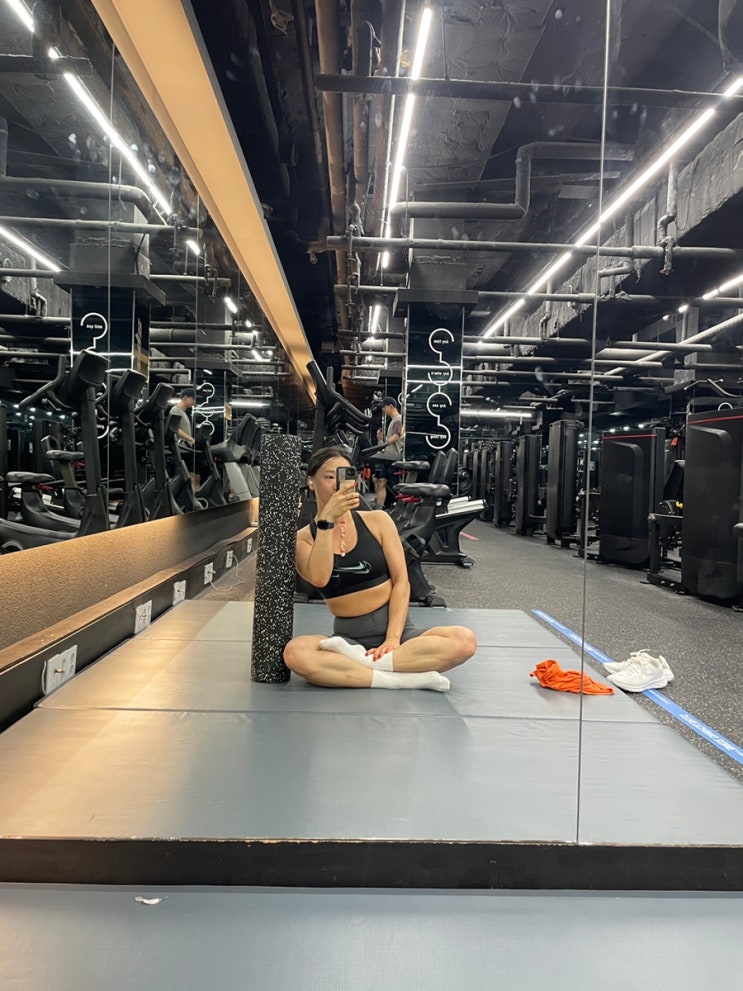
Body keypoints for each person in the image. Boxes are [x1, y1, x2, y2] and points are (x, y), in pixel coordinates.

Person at [283, 446, 477, 691]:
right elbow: (320, 579)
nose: (337, 485)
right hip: (347, 641)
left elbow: (402, 581)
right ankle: (396, 679)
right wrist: (326, 522)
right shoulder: (303, 539)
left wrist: (393, 639)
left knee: (464, 641)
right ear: (311, 481)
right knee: (296, 653)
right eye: (329, 477)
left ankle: (366, 666)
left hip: (399, 634)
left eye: (344, 475)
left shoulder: (378, 521)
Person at [372, 395, 403, 507]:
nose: (383, 409)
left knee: (396, 486)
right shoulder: (393, 421)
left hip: (394, 458)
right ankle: (379, 508)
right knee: (380, 481)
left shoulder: (398, 419)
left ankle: (402, 507)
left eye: (384, 407)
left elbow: (396, 436)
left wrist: (384, 443)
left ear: (391, 406)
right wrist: (382, 443)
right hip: (388, 457)